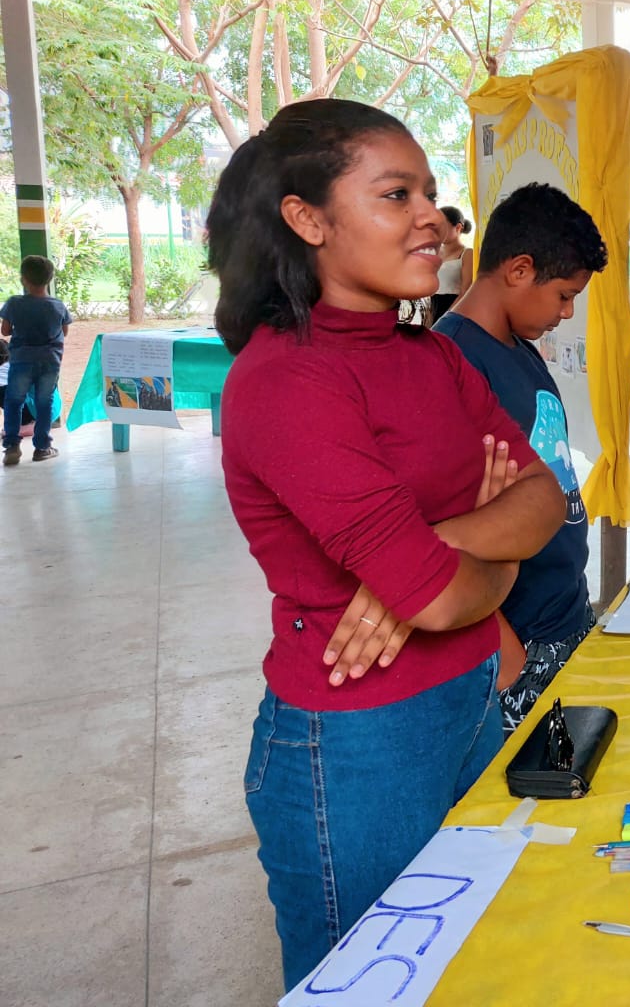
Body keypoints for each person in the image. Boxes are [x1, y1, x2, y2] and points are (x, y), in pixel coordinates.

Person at [208, 99, 568, 990]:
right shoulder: (289, 378)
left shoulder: (432, 355)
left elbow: (545, 497)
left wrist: (439, 545)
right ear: (308, 218)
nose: (433, 221)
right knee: (371, 983)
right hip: (357, 741)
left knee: (470, 955)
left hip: (471, 696)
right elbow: (438, 598)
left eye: (433, 196)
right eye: (395, 195)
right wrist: (470, 559)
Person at [434, 183, 606, 734]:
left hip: (563, 614)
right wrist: (503, 649)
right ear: (519, 269)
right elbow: (446, 530)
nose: (567, 311)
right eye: (562, 294)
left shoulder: (517, 348)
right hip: (518, 642)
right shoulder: (452, 363)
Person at [2, 253, 72, 465]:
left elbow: (5, 330)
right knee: (44, 402)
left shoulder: (14, 304)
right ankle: (42, 447)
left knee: (14, 401)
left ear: (23, 278)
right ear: (49, 279)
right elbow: (65, 332)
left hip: (21, 360)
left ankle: (12, 446)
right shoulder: (57, 306)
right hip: (50, 362)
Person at [430, 204, 474, 322]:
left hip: (454, 310)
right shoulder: (433, 253)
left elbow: (466, 291)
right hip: (430, 309)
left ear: (458, 227)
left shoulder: (468, 253)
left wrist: (446, 317)